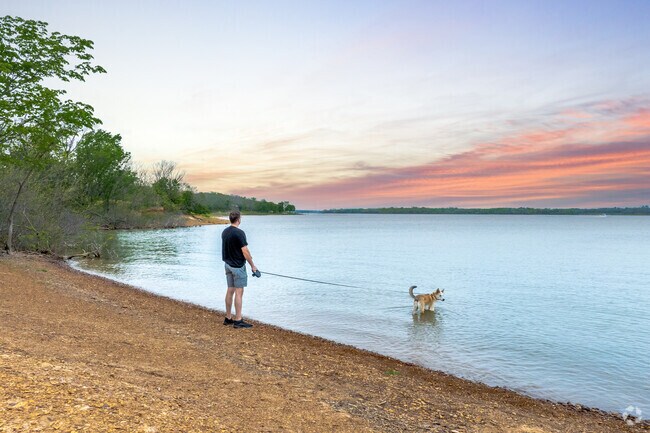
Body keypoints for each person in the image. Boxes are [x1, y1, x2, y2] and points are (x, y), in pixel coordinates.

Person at [222, 210, 258, 328]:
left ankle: (228, 318)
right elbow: (245, 251)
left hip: (227, 265)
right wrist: (253, 266)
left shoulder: (225, 231)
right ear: (238, 219)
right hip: (237, 266)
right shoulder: (239, 233)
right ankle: (238, 320)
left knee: (230, 290)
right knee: (239, 292)